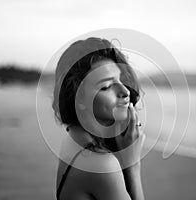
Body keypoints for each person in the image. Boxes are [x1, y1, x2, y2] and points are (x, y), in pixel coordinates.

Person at [52, 37, 146, 200]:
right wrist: (132, 165)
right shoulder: (103, 165)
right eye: (106, 86)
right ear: (79, 99)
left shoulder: (74, 137)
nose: (125, 91)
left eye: (121, 80)